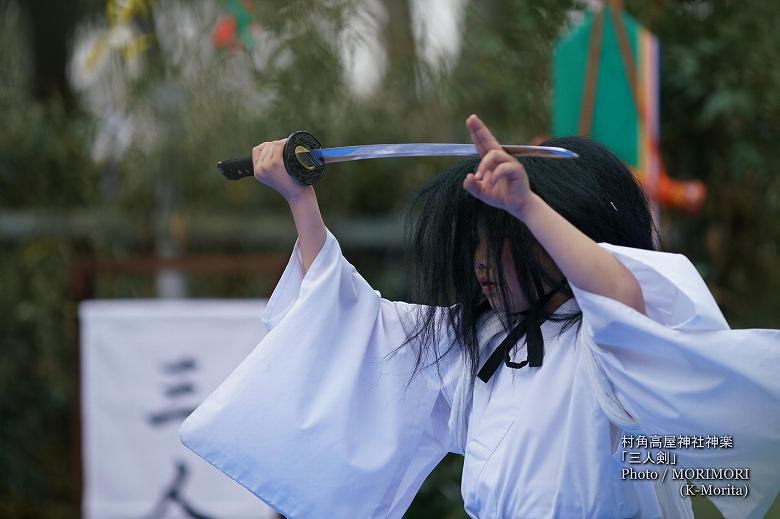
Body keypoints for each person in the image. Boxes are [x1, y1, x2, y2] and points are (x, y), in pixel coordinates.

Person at [180, 115, 780, 518]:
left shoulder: (610, 344)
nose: (481, 265)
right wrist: (300, 201)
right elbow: (353, 327)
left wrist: (528, 206)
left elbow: (617, 296)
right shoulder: (487, 341)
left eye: (501, 242)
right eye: (475, 244)